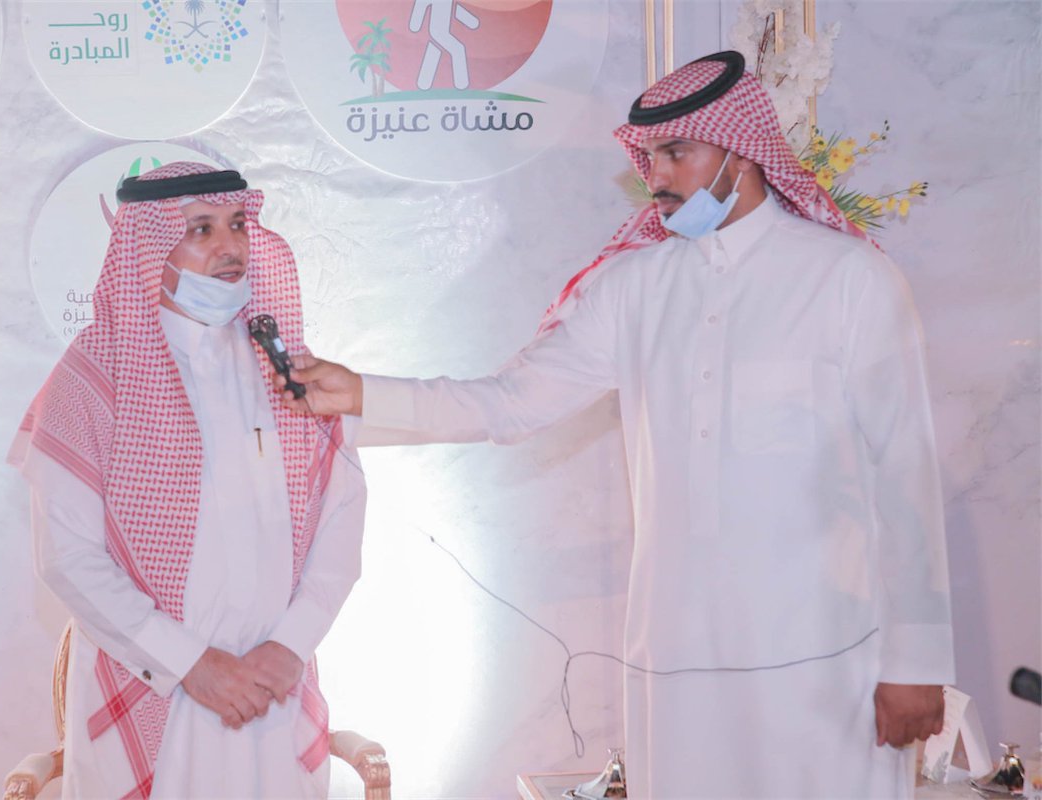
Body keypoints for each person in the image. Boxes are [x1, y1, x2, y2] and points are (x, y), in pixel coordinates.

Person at [285, 52, 953, 798]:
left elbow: (906, 476)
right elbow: (509, 403)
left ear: (741, 153)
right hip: (676, 664)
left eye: (676, 152)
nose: (655, 175)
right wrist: (360, 393)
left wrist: (917, 663)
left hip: (826, 660)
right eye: (649, 156)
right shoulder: (635, 289)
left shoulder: (849, 279)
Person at [9, 162, 365, 799]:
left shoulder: (288, 370)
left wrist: (289, 648)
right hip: (155, 689)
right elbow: (68, 557)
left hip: (271, 691)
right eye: (201, 229)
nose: (230, 246)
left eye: (237, 224)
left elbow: (342, 522)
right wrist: (191, 665)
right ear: (149, 249)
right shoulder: (92, 379)